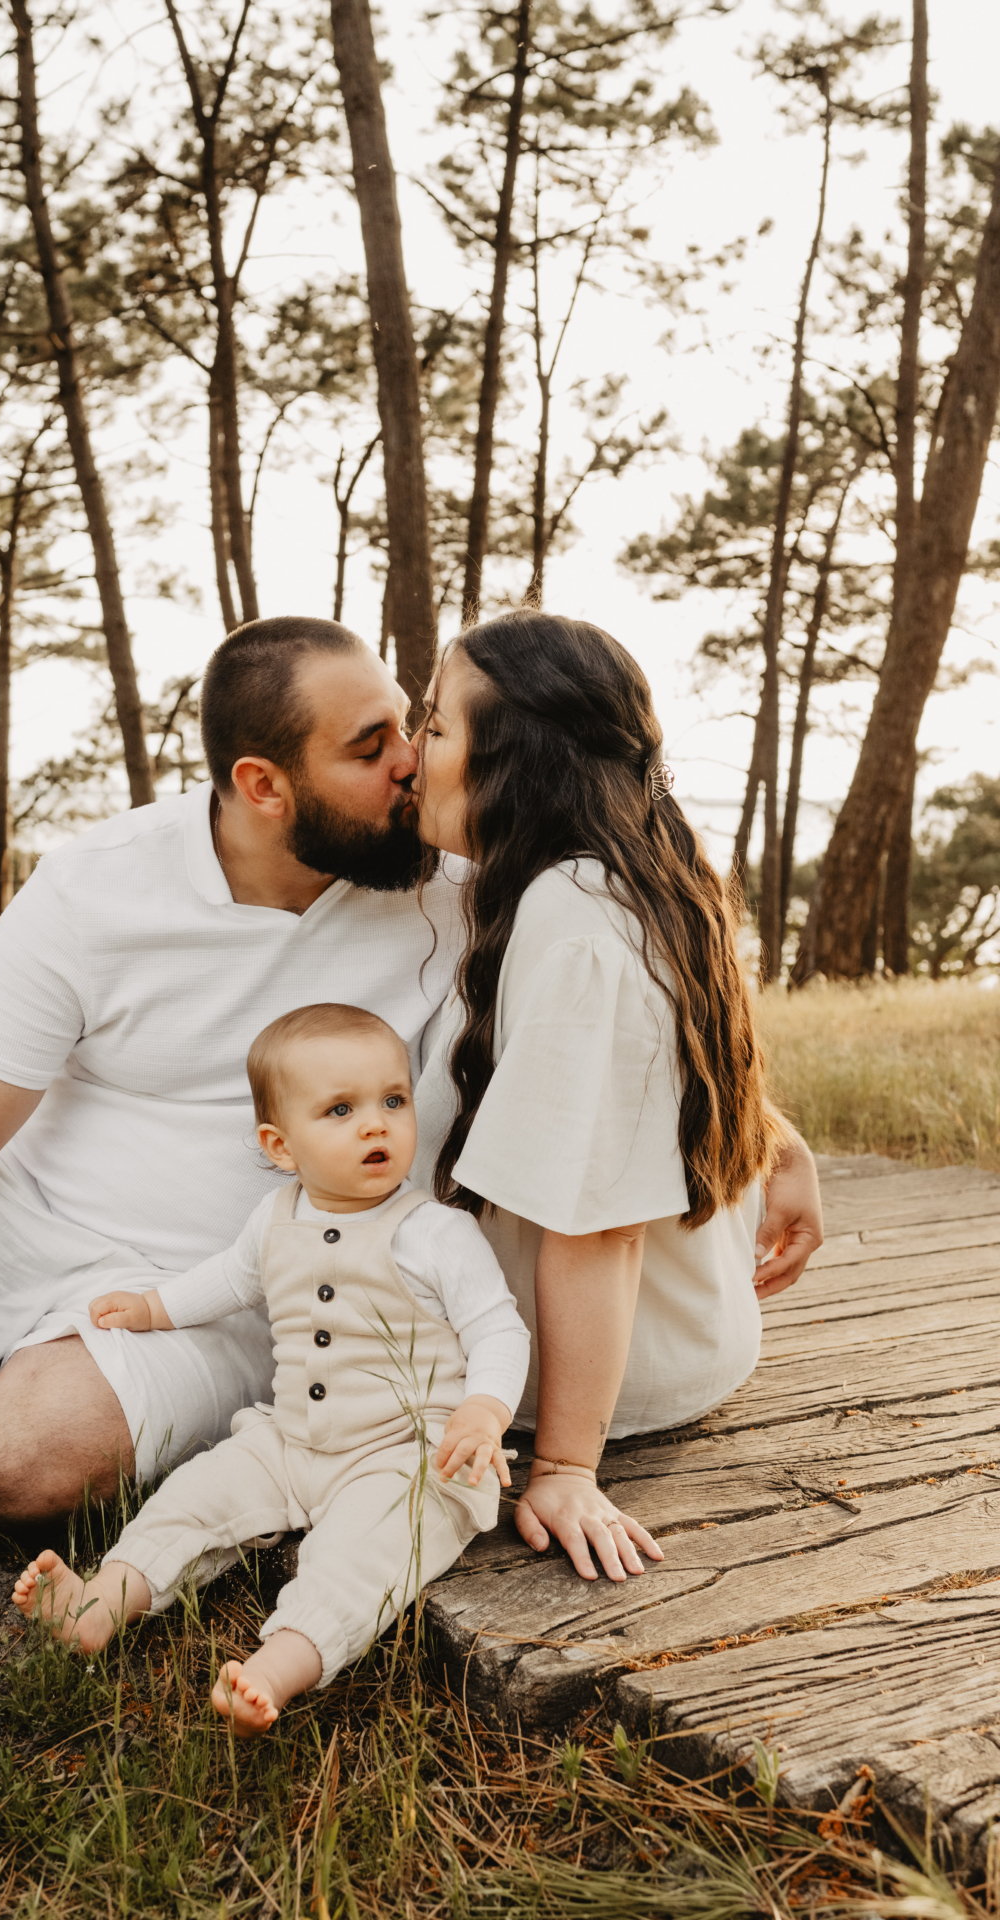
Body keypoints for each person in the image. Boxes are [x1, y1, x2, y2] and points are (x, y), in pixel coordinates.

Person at [0, 614, 821, 1534]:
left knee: (19, 1460)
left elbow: (625, 1015)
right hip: (30, 1224)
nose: (405, 761)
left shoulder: (460, 867)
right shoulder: (96, 889)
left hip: (250, 1283)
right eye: (370, 744)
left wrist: (765, 1135)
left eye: (415, 726)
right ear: (263, 784)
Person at [409, 610, 819, 1582]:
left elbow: (596, 1226)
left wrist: (560, 1465)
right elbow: (652, 1069)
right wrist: (778, 1147)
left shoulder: (576, 919)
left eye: (433, 726)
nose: (408, 749)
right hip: (675, 1343)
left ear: (510, 765)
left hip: (604, 1382)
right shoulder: (626, 873)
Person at [12, 1002, 529, 1736]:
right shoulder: (273, 1215)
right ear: (280, 1146)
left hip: (411, 1455)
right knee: (193, 1497)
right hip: (291, 1440)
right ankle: (97, 1605)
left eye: (393, 1100)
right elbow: (227, 1281)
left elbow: (497, 1326)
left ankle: (275, 1669)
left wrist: (485, 1409)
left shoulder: (435, 1232)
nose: (376, 1124)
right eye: (341, 1109)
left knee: (365, 1553)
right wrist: (153, 1308)